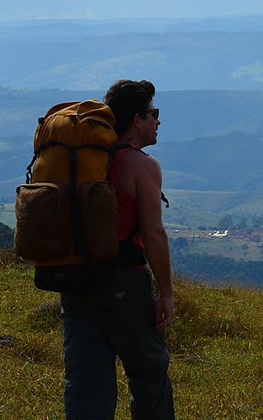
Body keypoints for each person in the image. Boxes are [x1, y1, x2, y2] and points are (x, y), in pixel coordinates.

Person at [60, 79, 176, 419]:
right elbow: (154, 233)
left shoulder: (84, 161)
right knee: (148, 372)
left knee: (86, 383)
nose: (158, 121)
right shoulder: (142, 165)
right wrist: (166, 293)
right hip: (124, 281)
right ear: (137, 120)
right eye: (154, 113)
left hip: (74, 281)